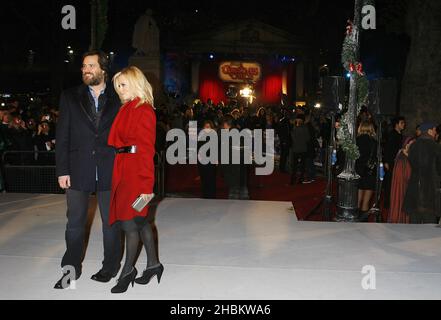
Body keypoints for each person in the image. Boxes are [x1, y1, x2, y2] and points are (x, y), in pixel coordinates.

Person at [54, 50, 122, 289]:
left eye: (91, 66)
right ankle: (70, 269)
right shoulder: (70, 96)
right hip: (76, 169)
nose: (85, 70)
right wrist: (62, 170)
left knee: (111, 223)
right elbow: (62, 136)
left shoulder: (119, 96)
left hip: (110, 168)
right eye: (83, 66)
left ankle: (110, 267)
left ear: (103, 69)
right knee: (74, 223)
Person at [108, 66, 163, 293]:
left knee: (130, 223)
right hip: (123, 171)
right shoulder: (126, 108)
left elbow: (146, 151)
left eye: (123, 84)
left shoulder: (144, 110)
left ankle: (128, 270)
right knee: (140, 222)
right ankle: (154, 265)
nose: (119, 89)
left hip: (138, 177)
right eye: (117, 85)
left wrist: (146, 187)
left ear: (135, 82)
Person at [403, 122, 441, 224]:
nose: (435, 133)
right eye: (434, 130)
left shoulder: (413, 146)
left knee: (414, 227)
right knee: (429, 229)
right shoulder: (436, 147)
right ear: (429, 131)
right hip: (430, 192)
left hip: (414, 189)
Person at [388, 137, 415, 223]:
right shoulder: (402, 158)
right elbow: (407, 175)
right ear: (406, 145)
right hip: (402, 186)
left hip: (404, 186)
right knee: (400, 203)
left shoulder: (405, 156)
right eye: (411, 145)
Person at [355, 121, 377, 222]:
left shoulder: (356, 140)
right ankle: (363, 223)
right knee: (366, 202)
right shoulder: (374, 141)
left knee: (357, 200)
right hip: (369, 172)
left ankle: (354, 221)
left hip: (358, 171)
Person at [383, 116, 406, 209]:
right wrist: (387, 162)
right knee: (389, 183)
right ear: (396, 124)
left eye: (404, 123)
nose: (404, 125)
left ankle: (392, 202)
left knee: (393, 182)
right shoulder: (393, 134)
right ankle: (388, 203)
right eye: (402, 123)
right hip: (391, 162)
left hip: (396, 162)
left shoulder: (399, 135)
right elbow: (388, 149)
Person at [197, 120, 217, 199]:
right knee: (204, 181)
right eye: (205, 127)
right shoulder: (200, 137)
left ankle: (211, 198)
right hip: (202, 163)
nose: (207, 128)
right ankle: (205, 198)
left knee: (211, 181)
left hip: (210, 162)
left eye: (209, 127)